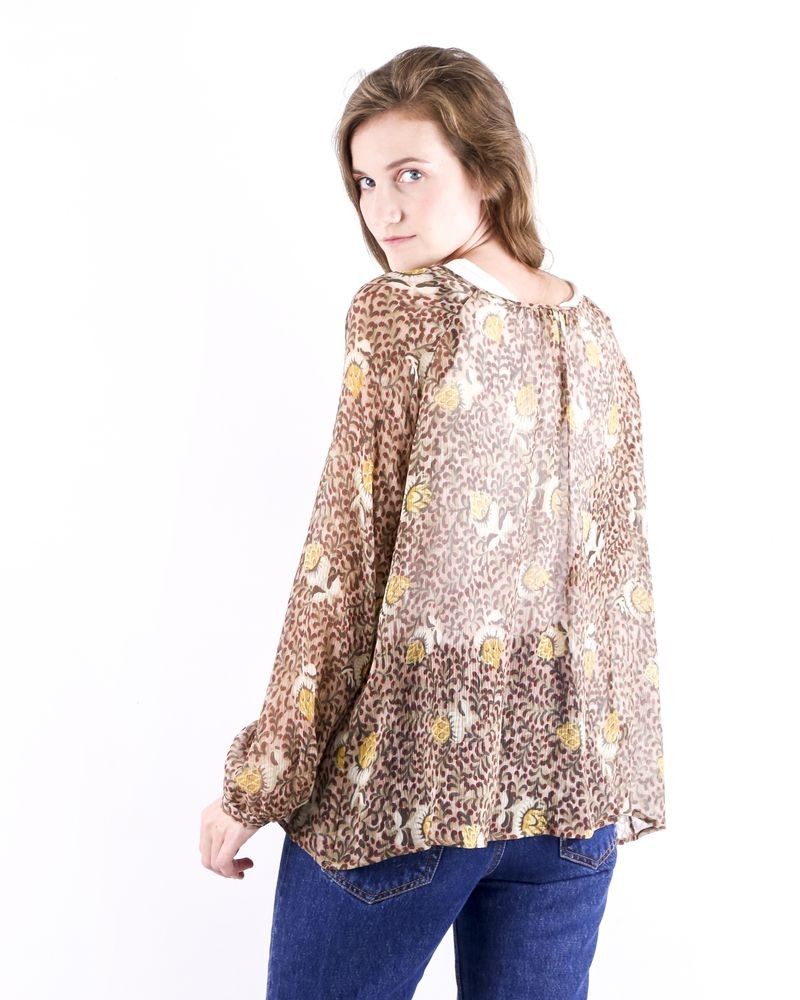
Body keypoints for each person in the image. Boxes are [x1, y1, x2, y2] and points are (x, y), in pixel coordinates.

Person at [200, 45, 666, 999]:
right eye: (365, 182)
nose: (384, 209)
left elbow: (343, 563)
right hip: (573, 795)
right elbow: (620, 586)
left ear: (488, 174)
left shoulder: (403, 313)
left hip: (412, 785)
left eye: (411, 174)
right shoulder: (598, 334)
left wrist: (259, 781)